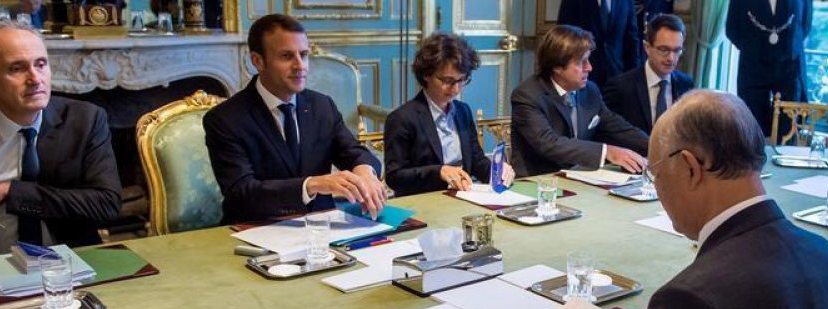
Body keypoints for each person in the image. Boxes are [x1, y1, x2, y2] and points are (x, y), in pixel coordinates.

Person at [570, 90, 828, 309]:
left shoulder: (689, 301)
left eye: (655, 173)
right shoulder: (826, 256)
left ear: (690, 168)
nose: (657, 189)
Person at [203, 14, 385, 224]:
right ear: (258, 61)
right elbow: (241, 193)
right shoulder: (225, 119)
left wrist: (365, 171)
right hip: (255, 230)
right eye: (287, 56)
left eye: (304, 54)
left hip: (322, 227)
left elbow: (354, 153)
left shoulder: (322, 106)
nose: (301, 66)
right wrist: (311, 185)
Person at [0, 22, 122, 263]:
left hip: (69, 266)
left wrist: (12, 192)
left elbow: (106, 205)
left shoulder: (85, 120)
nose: (35, 78)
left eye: (41, 64)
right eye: (16, 68)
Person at [384, 32, 515, 197]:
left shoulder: (462, 111)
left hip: (464, 196)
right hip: (425, 201)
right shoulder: (402, 118)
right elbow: (395, 177)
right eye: (447, 81)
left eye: (461, 80)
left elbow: (476, 161)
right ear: (426, 75)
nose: (455, 89)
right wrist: (439, 171)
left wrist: (498, 171)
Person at [511, 25, 650, 177]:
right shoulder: (527, 95)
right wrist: (607, 152)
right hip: (538, 182)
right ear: (557, 66)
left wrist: (657, 147)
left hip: (580, 178)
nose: (589, 67)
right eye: (581, 62)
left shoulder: (590, 90)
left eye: (588, 60)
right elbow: (549, 144)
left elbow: (618, 127)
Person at [726, 0, 813, 137]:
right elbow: (732, 28)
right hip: (753, 66)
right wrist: (752, 49)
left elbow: (805, 25)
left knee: (788, 129)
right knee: (752, 127)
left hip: (789, 66)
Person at [603, 14, 694, 134]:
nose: (671, 58)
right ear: (647, 47)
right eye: (664, 49)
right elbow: (609, 133)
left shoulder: (686, 84)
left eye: (677, 51)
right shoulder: (620, 87)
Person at [557, 0, 641, 87]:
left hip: (617, 75)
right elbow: (563, 37)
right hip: (584, 75)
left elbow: (632, 39)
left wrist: (635, 75)